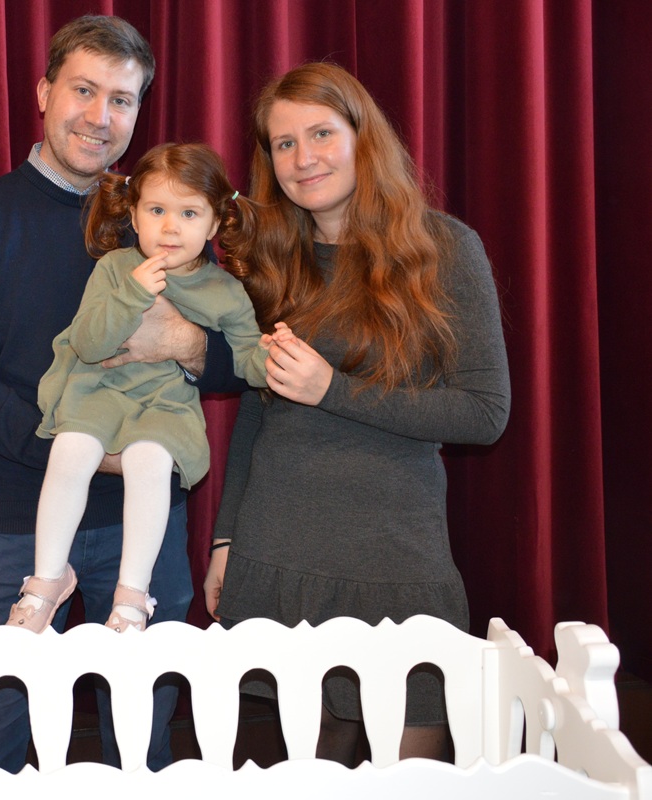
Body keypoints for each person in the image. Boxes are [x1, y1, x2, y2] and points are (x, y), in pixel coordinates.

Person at [0, 16, 240, 771]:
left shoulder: (164, 216)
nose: (100, 117)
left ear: (138, 112)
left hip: (146, 526)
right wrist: (85, 451)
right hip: (21, 519)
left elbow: (237, 364)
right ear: (43, 93)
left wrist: (186, 344)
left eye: (121, 100)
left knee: (140, 743)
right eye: (84, 91)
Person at [202, 62, 511, 763]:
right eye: (283, 143)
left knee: (413, 770)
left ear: (361, 136)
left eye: (320, 134)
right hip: (277, 548)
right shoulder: (271, 259)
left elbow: (483, 412)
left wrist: (333, 390)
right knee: (305, 771)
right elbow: (256, 417)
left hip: (393, 556)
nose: (302, 158)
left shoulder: (443, 248)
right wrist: (224, 540)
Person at [7, 143, 270, 634]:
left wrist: (275, 357)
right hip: (100, 391)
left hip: (164, 406)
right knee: (71, 448)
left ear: (213, 224)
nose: (170, 227)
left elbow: (246, 361)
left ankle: (131, 597)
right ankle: (46, 579)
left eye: (188, 213)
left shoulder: (226, 291)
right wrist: (131, 292)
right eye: (156, 210)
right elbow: (89, 343)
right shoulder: (114, 268)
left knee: (150, 461)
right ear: (133, 215)